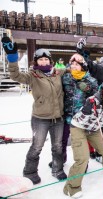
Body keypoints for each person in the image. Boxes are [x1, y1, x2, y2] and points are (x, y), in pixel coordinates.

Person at [1, 36, 67, 184]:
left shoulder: (58, 73)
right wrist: (12, 59)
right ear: (36, 61)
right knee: (37, 146)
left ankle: (58, 169)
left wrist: (82, 59)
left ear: (50, 60)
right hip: (40, 118)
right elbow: (16, 75)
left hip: (58, 118)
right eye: (40, 59)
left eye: (46, 59)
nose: (43, 62)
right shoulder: (33, 75)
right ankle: (29, 172)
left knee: (57, 147)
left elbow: (74, 69)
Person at [63, 78, 103, 198]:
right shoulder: (92, 101)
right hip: (79, 127)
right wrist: (86, 111)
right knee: (82, 158)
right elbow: (80, 120)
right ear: (102, 91)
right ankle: (71, 188)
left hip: (94, 130)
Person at [57, 53, 98, 166]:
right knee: (62, 140)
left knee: (80, 142)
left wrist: (88, 88)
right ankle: (61, 159)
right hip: (66, 114)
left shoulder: (90, 79)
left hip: (81, 117)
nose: (74, 66)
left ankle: (82, 163)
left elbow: (96, 95)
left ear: (83, 66)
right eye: (72, 64)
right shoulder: (65, 77)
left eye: (77, 64)